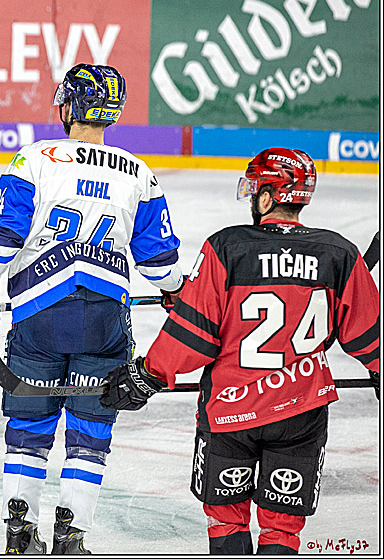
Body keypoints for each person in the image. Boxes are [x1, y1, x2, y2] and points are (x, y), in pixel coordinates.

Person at [100, 148, 380, 555]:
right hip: (301, 412)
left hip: (230, 412)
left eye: (255, 189)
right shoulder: (338, 253)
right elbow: (367, 332)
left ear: (267, 196)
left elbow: (194, 335)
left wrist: (149, 374)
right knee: (282, 530)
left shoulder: (227, 247)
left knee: (226, 517)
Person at [0, 63, 184, 554]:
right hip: (104, 319)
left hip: (39, 315)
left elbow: (2, 239)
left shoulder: (33, 159)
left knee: (29, 425)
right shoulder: (138, 171)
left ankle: (19, 530)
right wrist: (175, 290)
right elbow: (160, 262)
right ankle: (71, 537)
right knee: (90, 430)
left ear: (69, 106)